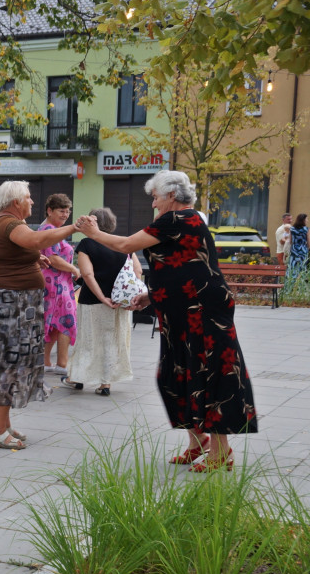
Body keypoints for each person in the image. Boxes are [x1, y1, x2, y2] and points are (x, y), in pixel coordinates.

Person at [76, 170, 257, 472]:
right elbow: (181, 266)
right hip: (184, 312)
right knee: (179, 375)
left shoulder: (178, 219)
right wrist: (151, 295)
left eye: (155, 197)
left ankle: (220, 452)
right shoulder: (185, 221)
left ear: (172, 195)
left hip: (202, 312)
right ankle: (198, 443)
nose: (153, 204)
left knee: (209, 374)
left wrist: (92, 232)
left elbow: (125, 245)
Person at [0, 181, 80, 450]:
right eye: (28, 197)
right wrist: (74, 227)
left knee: (12, 363)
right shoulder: (10, 224)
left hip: (12, 303)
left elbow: (12, 253)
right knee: (10, 365)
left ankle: (2, 423)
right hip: (10, 304)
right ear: (15, 202)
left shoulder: (2, 223)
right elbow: (36, 240)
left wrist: (35, 260)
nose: (32, 202)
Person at [62, 208, 139, 396]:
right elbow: (138, 272)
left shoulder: (87, 244)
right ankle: (105, 384)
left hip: (92, 301)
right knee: (111, 341)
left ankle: (77, 378)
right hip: (120, 301)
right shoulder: (121, 243)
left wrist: (101, 297)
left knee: (88, 340)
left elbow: (87, 274)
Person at [38, 194, 80, 376]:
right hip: (55, 284)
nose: (66, 215)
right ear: (49, 210)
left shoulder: (49, 229)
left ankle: (46, 361)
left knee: (53, 322)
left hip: (55, 283)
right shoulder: (49, 229)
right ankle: (62, 363)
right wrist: (74, 269)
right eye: (62, 211)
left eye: (68, 211)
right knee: (66, 320)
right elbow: (53, 258)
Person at [288, 213, 308, 277]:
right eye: (306, 219)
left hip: (294, 249)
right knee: (302, 267)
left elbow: (290, 241)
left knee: (292, 267)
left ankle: (292, 284)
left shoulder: (292, 229)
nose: (307, 220)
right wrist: (307, 248)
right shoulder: (306, 229)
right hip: (303, 249)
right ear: (303, 220)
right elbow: (309, 241)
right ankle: (300, 284)